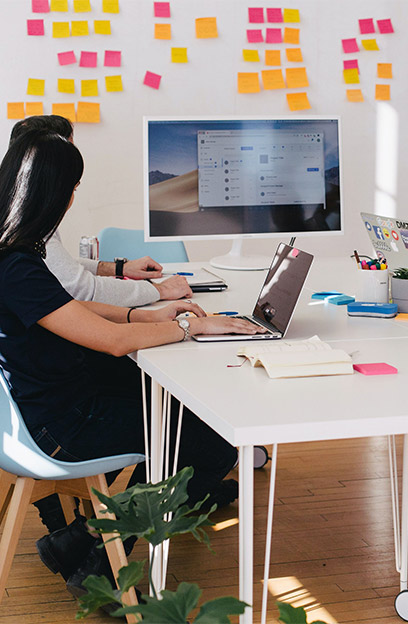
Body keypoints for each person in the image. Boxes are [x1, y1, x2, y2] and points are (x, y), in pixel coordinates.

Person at [0, 130, 266, 603]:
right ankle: (100, 568)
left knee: (179, 418)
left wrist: (146, 314)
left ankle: (79, 543)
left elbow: (71, 311)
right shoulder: (16, 265)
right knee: (210, 443)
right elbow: (114, 343)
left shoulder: (16, 252)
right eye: (71, 189)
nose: (73, 199)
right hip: (61, 425)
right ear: (53, 193)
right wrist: (190, 329)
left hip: (50, 405)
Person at [9, 115, 191, 306]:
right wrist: (160, 290)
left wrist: (120, 268)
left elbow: (59, 268)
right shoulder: (26, 224)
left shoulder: (21, 208)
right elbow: (84, 290)